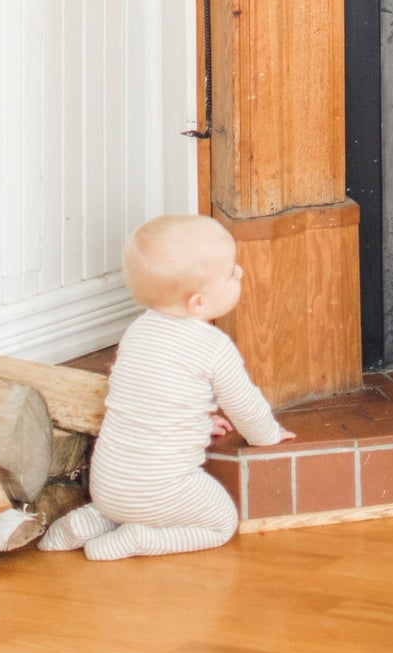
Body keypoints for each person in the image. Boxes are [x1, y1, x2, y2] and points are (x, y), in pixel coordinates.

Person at [40, 215, 290, 560]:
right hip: (163, 491)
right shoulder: (213, 347)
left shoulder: (137, 332)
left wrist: (201, 422)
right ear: (198, 303)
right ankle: (141, 540)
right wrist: (268, 435)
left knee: (125, 506)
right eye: (232, 272)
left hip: (107, 483)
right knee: (221, 523)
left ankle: (91, 521)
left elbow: (151, 399)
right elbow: (246, 407)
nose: (241, 273)